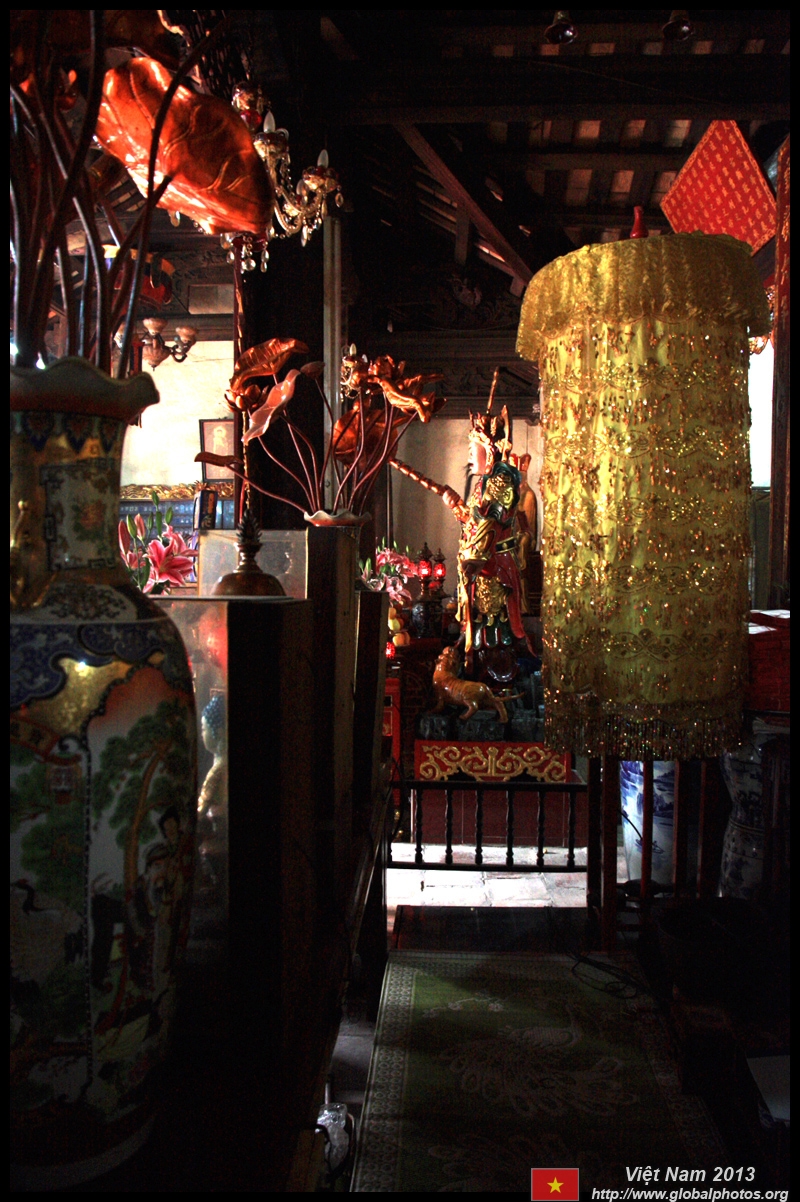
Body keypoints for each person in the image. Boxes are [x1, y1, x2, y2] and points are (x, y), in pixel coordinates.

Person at [456, 402, 534, 683]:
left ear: (489, 451)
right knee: (477, 620)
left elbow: (490, 522)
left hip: (494, 566)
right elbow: (477, 519)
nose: (469, 454)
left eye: (473, 448)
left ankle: (499, 675)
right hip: (479, 567)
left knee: (494, 622)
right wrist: (461, 512)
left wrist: (476, 556)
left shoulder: (500, 481)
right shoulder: (483, 483)